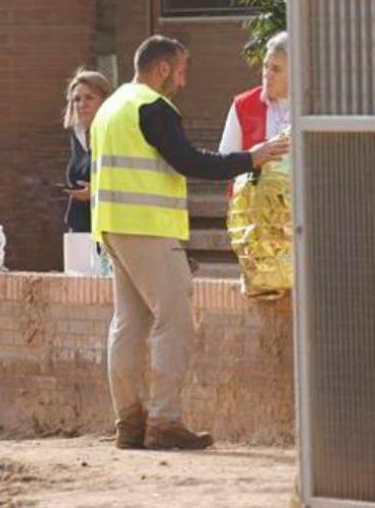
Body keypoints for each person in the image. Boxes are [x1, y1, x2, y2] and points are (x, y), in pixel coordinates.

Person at [92, 35, 290, 451]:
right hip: (149, 227)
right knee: (174, 321)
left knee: (127, 323)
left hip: (112, 226)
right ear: (162, 68)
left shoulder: (111, 107)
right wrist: (251, 157)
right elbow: (191, 162)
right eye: (180, 71)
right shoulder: (154, 106)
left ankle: (128, 422)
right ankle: (164, 421)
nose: (183, 82)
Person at [219, 32, 291, 167]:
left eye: (276, 69)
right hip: (251, 187)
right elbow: (225, 161)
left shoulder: (312, 106)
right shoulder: (243, 105)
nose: (267, 74)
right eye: (265, 66)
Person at [62, 69, 112, 233]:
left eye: (89, 98)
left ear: (104, 100)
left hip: (107, 230)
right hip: (78, 228)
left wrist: (96, 192)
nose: (82, 104)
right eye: (76, 99)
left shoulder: (113, 135)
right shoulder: (77, 136)